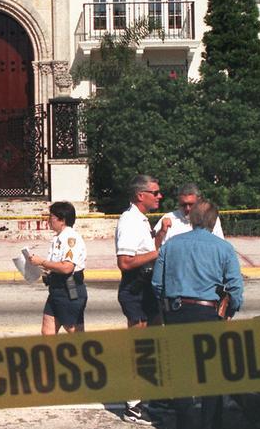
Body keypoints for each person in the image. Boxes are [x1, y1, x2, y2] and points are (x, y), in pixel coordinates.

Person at [151, 200, 244, 429]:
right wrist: (229, 312)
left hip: (177, 311)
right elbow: (235, 288)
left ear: (192, 219)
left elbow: (157, 284)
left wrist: (167, 309)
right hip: (208, 313)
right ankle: (210, 423)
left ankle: (185, 423)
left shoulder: (171, 246)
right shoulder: (224, 248)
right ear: (214, 222)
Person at [115, 174, 163, 424]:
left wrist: (161, 236)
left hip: (147, 287)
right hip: (135, 288)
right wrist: (159, 252)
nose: (159, 196)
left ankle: (148, 398)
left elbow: (148, 251)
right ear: (140, 195)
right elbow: (125, 262)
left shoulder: (141, 220)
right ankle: (132, 407)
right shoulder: (129, 221)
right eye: (155, 192)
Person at [28, 201, 88, 335]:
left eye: (51, 217)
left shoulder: (71, 239)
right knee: (47, 330)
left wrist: (42, 261)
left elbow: (67, 267)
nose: (49, 220)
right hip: (56, 289)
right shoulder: (58, 238)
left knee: (73, 330)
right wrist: (41, 269)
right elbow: (55, 265)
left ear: (62, 220)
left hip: (69, 288)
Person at [153, 183, 224, 247]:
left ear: (199, 200)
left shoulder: (210, 217)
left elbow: (221, 245)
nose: (187, 208)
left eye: (191, 204)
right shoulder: (168, 218)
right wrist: (162, 232)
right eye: (183, 205)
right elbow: (152, 248)